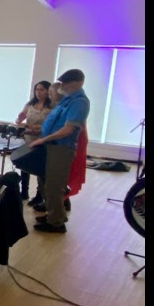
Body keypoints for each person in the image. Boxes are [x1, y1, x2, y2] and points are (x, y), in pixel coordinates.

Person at [29, 69, 90, 233]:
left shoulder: (80, 102)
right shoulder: (66, 100)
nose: (63, 86)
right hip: (49, 145)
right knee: (44, 182)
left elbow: (68, 129)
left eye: (67, 83)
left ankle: (56, 223)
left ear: (78, 83)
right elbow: (54, 122)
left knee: (54, 185)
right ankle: (53, 214)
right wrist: (37, 130)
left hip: (60, 148)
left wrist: (43, 139)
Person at [16, 81, 53, 203]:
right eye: (37, 89)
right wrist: (20, 119)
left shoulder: (51, 107)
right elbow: (19, 120)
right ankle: (24, 191)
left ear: (48, 91)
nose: (39, 92)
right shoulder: (30, 105)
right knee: (23, 164)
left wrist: (35, 128)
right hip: (28, 139)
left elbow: (51, 127)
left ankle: (39, 195)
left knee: (39, 168)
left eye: (42, 90)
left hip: (42, 140)